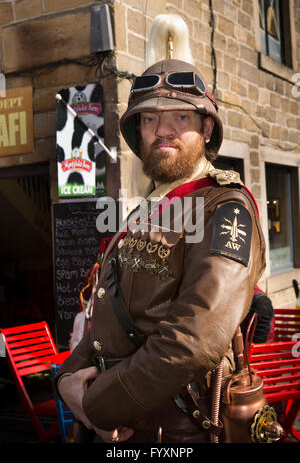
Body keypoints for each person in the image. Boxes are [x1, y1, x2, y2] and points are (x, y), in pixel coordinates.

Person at [53, 58, 266, 443]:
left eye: (181, 118)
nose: (162, 130)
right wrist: (68, 378)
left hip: (176, 434)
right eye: (149, 119)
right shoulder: (144, 211)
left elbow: (194, 339)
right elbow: (107, 313)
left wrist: (97, 406)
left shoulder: (224, 206)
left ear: (206, 127)